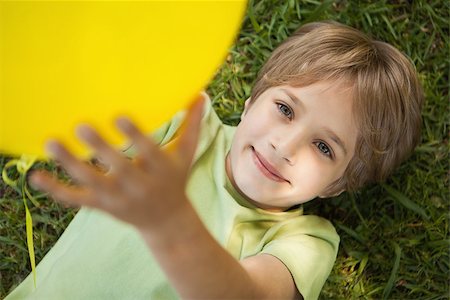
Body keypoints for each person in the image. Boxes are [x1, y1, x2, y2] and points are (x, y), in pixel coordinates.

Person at [6, 21, 423, 300]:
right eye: (285, 109)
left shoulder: (305, 243)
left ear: (339, 184)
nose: (286, 145)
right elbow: (91, 121)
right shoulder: (187, 124)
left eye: (325, 147)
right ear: (251, 100)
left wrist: (170, 222)